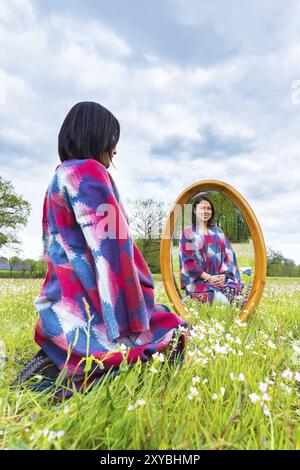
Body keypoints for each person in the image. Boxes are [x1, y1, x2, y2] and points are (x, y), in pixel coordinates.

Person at [15, 101, 188, 398]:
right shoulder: (88, 173)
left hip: (60, 307)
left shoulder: (59, 176)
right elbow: (112, 253)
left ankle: (59, 358)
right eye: (112, 139)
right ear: (95, 135)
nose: (115, 149)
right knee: (174, 331)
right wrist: (134, 317)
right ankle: (62, 372)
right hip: (92, 306)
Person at [179, 195, 242, 306]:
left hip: (220, 280)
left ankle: (236, 300)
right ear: (194, 210)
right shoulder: (188, 233)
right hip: (199, 282)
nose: (206, 211)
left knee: (237, 297)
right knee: (222, 301)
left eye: (209, 208)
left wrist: (225, 276)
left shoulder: (219, 232)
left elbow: (230, 257)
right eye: (202, 208)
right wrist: (208, 278)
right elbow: (188, 263)